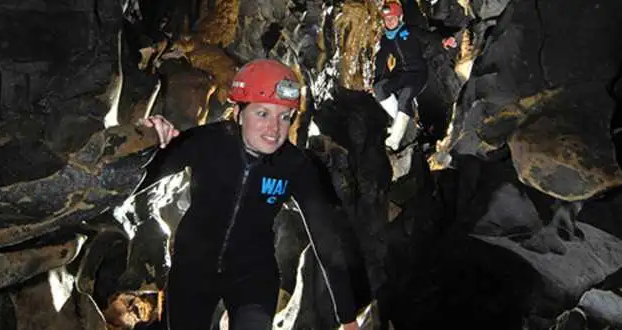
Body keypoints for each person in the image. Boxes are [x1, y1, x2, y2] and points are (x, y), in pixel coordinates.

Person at [139, 59, 359, 330]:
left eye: (285, 117)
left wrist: (348, 319)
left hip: (253, 275)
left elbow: (327, 240)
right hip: (192, 270)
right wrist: (145, 137)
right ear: (239, 113)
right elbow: (135, 176)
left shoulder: (297, 166)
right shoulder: (207, 142)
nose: (275, 129)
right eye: (262, 113)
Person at [373, 1, 455, 151]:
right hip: (401, 73)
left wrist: (443, 42)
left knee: (406, 96)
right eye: (386, 19)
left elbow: (428, 37)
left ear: (400, 17)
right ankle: (404, 122)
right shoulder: (386, 40)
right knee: (379, 88)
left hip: (418, 74)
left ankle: (394, 141)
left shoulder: (410, 31)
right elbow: (380, 60)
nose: (389, 22)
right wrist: (377, 78)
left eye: (393, 18)